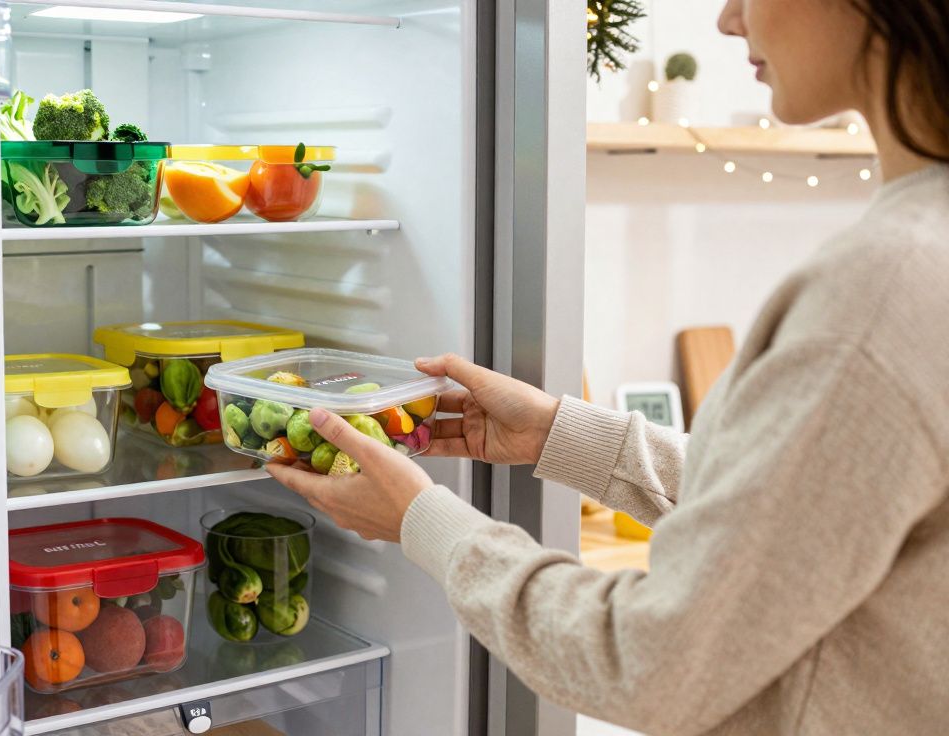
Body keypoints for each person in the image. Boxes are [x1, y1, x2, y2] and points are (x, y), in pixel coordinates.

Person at [267, 0, 949, 733]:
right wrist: (567, 436)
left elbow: (650, 661)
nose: (726, 19)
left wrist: (421, 520)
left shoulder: (882, 287)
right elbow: (808, 517)